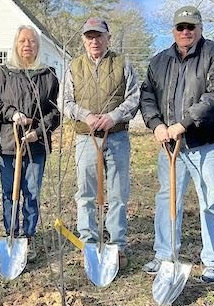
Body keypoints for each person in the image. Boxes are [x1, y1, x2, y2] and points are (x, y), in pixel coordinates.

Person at [140, 6, 214, 283]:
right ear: (173, 30)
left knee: (209, 200)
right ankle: (164, 254)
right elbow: (147, 97)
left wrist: (184, 123)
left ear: (200, 28)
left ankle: (213, 260)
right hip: (170, 145)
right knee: (167, 200)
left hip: (205, 142)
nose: (185, 32)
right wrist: (157, 124)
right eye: (180, 27)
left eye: (191, 27)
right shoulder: (159, 62)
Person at [62, 17, 140, 269]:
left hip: (116, 136)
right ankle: (89, 243)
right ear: (83, 39)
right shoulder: (74, 66)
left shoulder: (122, 63)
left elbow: (133, 98)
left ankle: (117, 244)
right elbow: (65, 101)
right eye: (89, 36)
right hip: (85, 138)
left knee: (117, 193)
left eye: (99, 36)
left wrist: (112, 117)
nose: (94, 41)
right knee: (85, 193)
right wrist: (86, 116)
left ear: (108, 38)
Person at [0, 25, 60, 262]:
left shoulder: (48, 75)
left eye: (32, 41)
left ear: (38, 46)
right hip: (9, 144)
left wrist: (38, 131)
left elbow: (55, 112)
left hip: (36, 145)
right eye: (22, 41)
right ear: (15, 45)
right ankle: (11, 233)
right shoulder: (3, 74)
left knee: (32, 192)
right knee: (10, 192)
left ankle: (28, 235)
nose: (27, 45)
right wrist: (12, 114)